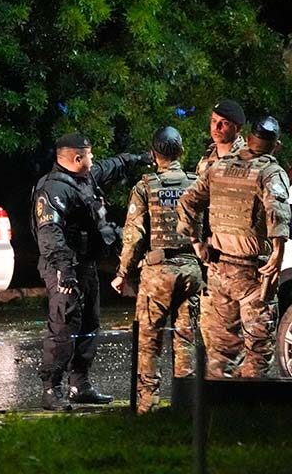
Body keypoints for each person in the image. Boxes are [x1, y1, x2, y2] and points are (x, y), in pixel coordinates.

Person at [31, 132, 151, 410]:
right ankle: (51, 389)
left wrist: (138, 159)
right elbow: (50, 234)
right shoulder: (53, 189)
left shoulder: (84, 178)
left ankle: (80, 384)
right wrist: (64, 271)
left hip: (85, 264)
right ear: (77, 158)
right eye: (89, 154)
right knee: (63, 326)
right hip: (63, 266)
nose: (93, 158)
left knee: (89, 324)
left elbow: (109, 166)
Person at [177, 116, 291, 378]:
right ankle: (246, 412)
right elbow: (278, 211)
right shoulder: (270, 172)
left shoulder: (219, 167)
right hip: (252, 274)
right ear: (276, 145)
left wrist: (196, 242)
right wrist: (277, 252)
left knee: (220, 352)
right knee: (257, 351)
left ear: (249, 139)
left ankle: (217, 413)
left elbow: (187, 202)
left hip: (218, 270)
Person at [111, 127, 203, 414]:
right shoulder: (197, 183)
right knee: (186, 337)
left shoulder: (145, 187)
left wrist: (122, 272)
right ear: (181, 152)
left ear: (154, 155)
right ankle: (185, 404)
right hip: (192, 269)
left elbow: (134, 235)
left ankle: (147, 406)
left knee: (149, 340)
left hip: (158, 272)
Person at [196, 99, 247, 352]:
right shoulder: (207, 160)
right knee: (214, 331)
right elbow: (196, 204)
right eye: (213, 121)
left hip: (243, 255)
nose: (216, 127)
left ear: (236, 128)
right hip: (213, 255)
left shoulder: (251, 159)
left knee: (250, 334)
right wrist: (198, 241)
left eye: (223, 123)